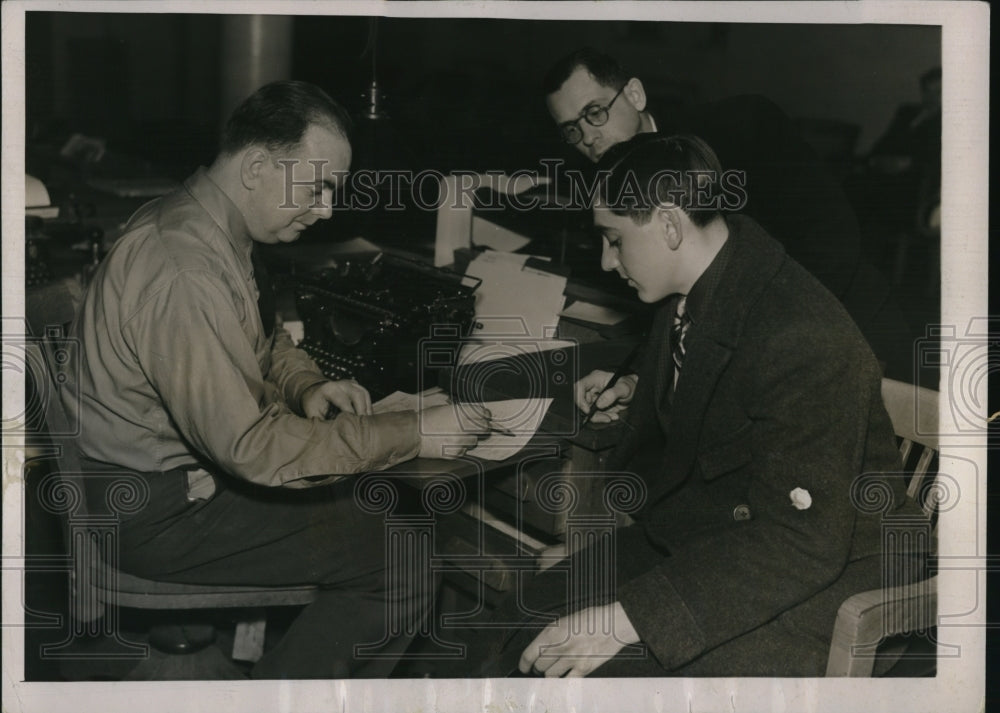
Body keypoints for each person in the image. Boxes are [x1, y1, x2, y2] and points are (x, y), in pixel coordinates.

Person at [448, 133, 924, 677]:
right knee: (520, 617)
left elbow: (802, 540)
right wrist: (646, 399)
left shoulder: (802, 335)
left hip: (826, 572)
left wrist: (626, 616)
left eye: (614, 239)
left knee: (591, 679)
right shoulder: (694, 288)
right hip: (721, 532)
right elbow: (725, 411)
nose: (606, 262)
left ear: (670, 224)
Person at [64, 80, 490, 678]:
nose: (327, 209)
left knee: (373, 507)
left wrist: (305, 385)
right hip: (154, 510)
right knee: (402, 553)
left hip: (152, 484)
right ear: (260, 165)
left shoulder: (202, 224)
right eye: (319, 187)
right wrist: (416, 433)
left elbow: (264, 337)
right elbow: (254, 450)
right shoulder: (185, 270)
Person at [542, 47, 917, 383]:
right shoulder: (607, 190)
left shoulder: (741, 127)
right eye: (572, 130)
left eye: (595, 113)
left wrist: (770, 334)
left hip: (846, 314)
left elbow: (830, 234)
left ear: (635, 95)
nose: (588, 137)